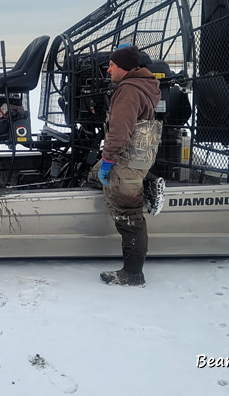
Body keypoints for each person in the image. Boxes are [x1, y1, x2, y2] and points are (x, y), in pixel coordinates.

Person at [97, 46, 162, 286]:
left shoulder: (128, 91)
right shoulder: (145, 85)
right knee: (94, 176)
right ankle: (145, 182)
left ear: (123, 67)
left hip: (127, 160)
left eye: (112, 65)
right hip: (137, 157)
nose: (108, 68)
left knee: (129, 213)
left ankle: (133, 274)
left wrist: (107, 161)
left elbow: (120, 133)